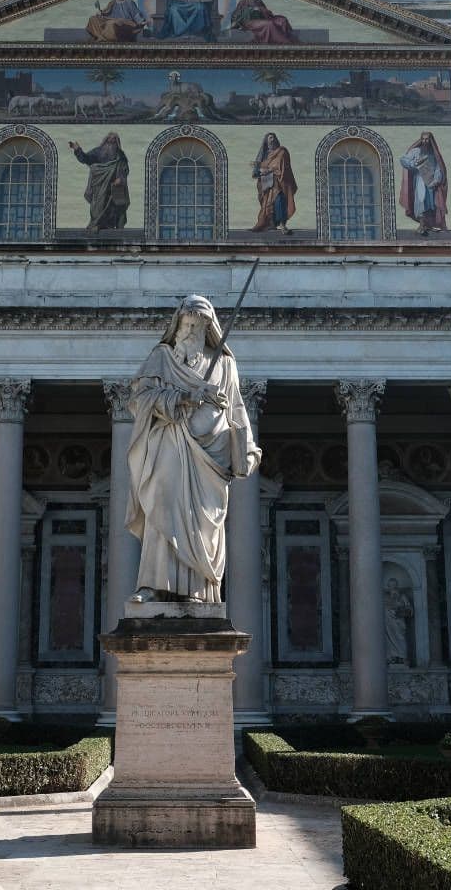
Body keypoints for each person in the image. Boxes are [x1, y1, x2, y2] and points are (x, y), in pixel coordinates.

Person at [124, 295, 261, 603]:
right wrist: (186, 396)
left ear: (207, 330)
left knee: (202, 521)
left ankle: (197, 591)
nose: (189, 333)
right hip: (170, 446)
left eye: (196, 328)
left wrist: (247, 450)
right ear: (177, 326)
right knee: (160, 499)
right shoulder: (162, 358)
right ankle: (151, 585)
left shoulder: (224, 365)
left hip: (210, 459)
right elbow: (139, 400)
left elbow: (237, 411)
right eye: (185, 326)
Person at [69, 133, 130, 229]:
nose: (111, 143)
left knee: (114, 209)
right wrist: (77, 150)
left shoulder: (120, 155)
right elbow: (86, 159)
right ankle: (97, 224)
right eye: (109, 140)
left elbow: (124, 168)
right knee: (97, 207)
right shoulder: (98, 152)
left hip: (114, 187)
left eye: (114, 141)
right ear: (105, 141)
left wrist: (121, 178)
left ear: (117, 143)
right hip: (99, 186)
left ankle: (110, 228)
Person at [398, 131, 449, 235]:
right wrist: (415, 164)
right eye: (423, 139)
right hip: (420, 180)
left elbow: (439, 168)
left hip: (431, 183)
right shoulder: (416, 151)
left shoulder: (434, 154)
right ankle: (422, 224)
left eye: (427, 139)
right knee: (421, 201)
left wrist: (435, 181)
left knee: (431, 204)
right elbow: (403, 160)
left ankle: (429, 225)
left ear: (430, 141)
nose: (425, 141)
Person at [250, 133, 297, 233]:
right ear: (266, 142)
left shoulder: (281, 151)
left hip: (280, 182)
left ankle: (282, 225)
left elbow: (280, 165)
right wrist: (257, 166)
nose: (271, 140)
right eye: (269, 138)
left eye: (273, 138)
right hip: (267, 182)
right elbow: (263, 166)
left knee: (279, 200)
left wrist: (269, 169)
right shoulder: (265, 154)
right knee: (267, 203)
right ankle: (271, 224)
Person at [229, 0, 297, 44]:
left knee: (282, 20)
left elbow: (266, 12)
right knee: (269, 24)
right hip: (250, 22)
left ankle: (288, 37)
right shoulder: (243, 1)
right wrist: (250, 10)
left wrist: (261, 9)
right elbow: (237, 13)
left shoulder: (259, 2)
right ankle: (281, 40)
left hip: (262, 19)